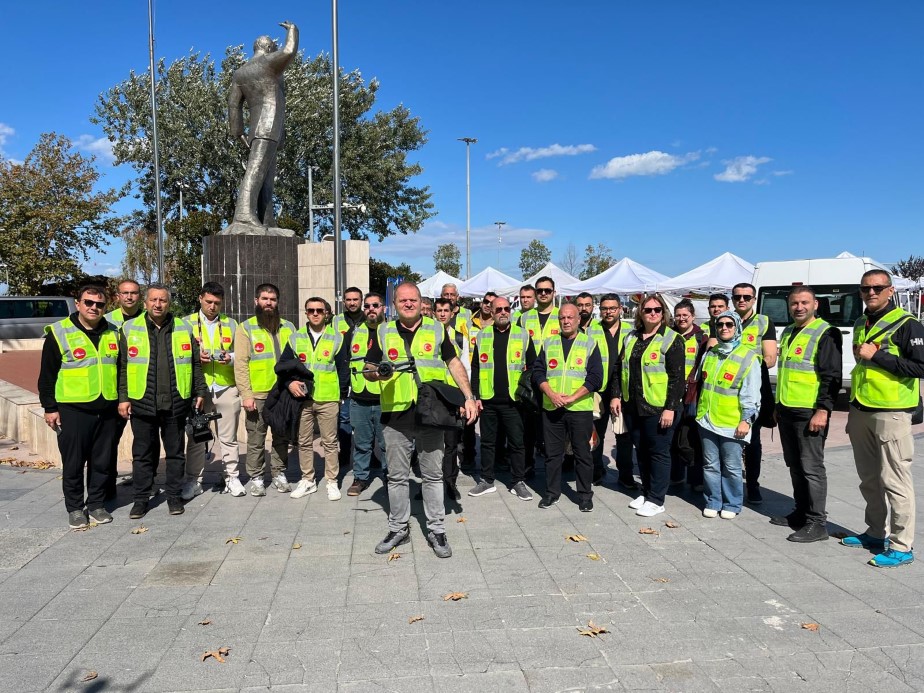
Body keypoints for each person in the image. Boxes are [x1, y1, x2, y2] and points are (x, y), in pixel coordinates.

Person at [363, 282, 478, 559]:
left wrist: (469, 397)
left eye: (413, 299)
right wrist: (377, 374)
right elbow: (367, 369)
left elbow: (453, 363)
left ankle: (437, 529)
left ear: (420, 301)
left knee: (433, 474)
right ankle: (398, 527)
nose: (408, 304)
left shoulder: (436, 329)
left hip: (431, 413)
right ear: (395, 304)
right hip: (396, 413)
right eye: (403, 300)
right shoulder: (383, 330)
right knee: (397, 476)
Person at [843, 270, 924, 568]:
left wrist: (877, 356)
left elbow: (920, 367)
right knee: (869, 479)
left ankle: (902, 546)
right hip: (862, 408)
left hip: (892, 412)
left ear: (890, 290)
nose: (871, 293)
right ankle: (876, 533)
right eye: (865, 289)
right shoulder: (860, 322)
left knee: (895, 480)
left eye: (877, 288)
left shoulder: (908, 323)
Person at [118, 285, 206, 519]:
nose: (158, 304)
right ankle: (140, 499)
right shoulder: (129, 328)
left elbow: (195, 363)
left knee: (176, 453)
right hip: (142, 403)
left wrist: (200, 390)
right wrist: (124, 398)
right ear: (145, 303)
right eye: (154, 300)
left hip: (176, 402)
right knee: (143, 454)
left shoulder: (183, 328)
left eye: (163, 300)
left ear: (169, 303)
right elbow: (123, 367)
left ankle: (174, 497)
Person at [39, 285, 122, 528]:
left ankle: (96, 504)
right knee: (74, 462)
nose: (94, 307)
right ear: (78, 304)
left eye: (99, 304)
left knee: (102, 461)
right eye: (89, 302)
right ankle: (75, 508)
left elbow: (121, 369)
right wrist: (49, 408)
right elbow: (47, 375)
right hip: (73, 410)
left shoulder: (113, 332)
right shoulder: (59, 332)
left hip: (106, 408)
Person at [771, 286, 842, 542]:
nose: (798, 307)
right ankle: (800, 512)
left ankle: (817, 522)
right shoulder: (790, 331)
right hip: (788, 409)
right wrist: (779, 406)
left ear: (815, 305)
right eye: (794, 303)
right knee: (795, 465)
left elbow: (831, 376)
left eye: (804, 303)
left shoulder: (825, 332)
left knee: (812, 468)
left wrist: (823, 409)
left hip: (810, 411)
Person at [611, 294, 685, 518]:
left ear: (664, 314)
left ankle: (657, 499)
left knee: (659, 452)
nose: (652, 313)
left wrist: (670, 407)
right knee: (641, 451)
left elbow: (677, 378)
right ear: (640, 313)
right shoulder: (631, 337)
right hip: (633, 405)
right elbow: (618, 368)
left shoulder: (672, 339)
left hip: (659, 407)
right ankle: (646, 491)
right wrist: (615, 396)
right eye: (648, 310)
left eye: (657, 310)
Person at [227, 21, 299, 232]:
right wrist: (293, 30)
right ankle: (243, 216)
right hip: (268, 125)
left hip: (258, 129)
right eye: (272, 49)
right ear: (268, 49)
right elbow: (289, 50)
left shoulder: (240, 73)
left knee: (267, 175)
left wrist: (238, 132)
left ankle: (267, 220)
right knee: (257, 171)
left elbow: (233, 105)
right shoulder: (268, 63)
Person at [532, 303, 601, 511]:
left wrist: (572, 397)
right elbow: (537, 372)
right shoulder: (549, 343)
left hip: (579, 408)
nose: (566, 321)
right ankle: (552, 493)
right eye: (562, 318)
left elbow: (596, 377)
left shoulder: (589, 343)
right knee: (553, 454)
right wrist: (551, 394)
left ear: (579, 319)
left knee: (582, 454)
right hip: (552, 407)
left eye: (570, 317)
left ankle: (585, 496)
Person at [470, 296, 537, 501]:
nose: (503, 312)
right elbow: (475, 367)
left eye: (506, 308)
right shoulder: (482, 336)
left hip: (513, 401)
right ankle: (487, 480)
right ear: (490, 310)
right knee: (488, 442)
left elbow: (533, 365)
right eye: (498, 309)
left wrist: (526, 392)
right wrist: (475, 396)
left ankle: (518, 481)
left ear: (511, 310)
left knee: (517, 443)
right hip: (488, 399)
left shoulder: (522, 334)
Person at [696, 311, 761, 519]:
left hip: (732, 422)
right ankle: (713, 500)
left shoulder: (748, 357)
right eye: (720, 324)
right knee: (710, 465)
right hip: (707, 419)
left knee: (732, 466)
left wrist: (746, 420)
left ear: (737, 328)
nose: (724, 328)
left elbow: (751, 392)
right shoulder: (711, 353)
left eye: (729, 325)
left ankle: (732, 503)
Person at [234, 283, 298, 496]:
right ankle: (257, 477)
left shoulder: (289, 327)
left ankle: (279, 472)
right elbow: (241, 364)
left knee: (281, 436)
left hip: (283, 394)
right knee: (256, 438)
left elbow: (297, 360)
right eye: (264, 299)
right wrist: (246, 394)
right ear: (256, 301)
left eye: (272, 299)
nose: (268, 303)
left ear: (278, 302)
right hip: (258, 395)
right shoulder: (246, 328)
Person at [183, 282, 244, 498]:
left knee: (229, 437)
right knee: (197, 437)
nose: (212, 306)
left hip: (225, 386)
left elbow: (242, 354)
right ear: (200, 299)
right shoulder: (186, 323)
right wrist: (195, 356)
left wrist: (230, 358)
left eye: (217, 303)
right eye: (208, 301)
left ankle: (232, 477)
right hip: (198, 388)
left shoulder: (232, 324)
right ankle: (193, 480)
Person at [286, 297, 350, 501]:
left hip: (328, 398)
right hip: (303, 399)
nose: (315, 314)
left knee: (330, 442)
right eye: (311, 310)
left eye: (319, 311)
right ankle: (308, 480)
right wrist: (289, 383)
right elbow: (284, 366)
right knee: (303, 441)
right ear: (306, 313)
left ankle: (332, 481)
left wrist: (340, 395)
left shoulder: (337, 338)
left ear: (326, 313)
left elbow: (343, 369)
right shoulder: (295, 338)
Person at [731, 282, 777, 504]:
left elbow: (770, 357)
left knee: (752, 441)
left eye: (746, 297)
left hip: (753, 390)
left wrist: (746, 366)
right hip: (727, 389)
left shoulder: (764, 322)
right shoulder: (723, 320)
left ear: (754, 299)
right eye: (737, 296)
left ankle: (753, 485)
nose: (741, 300)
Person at [102, 279, 144, 498]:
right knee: (109, 439)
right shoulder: (107, 321)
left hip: (143, 389)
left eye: (134, 293)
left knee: (145, 439)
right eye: (125, 293)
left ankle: (145, 479)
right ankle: (108, 484)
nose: (129, 297)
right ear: (117, 296)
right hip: (114, 390)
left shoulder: (148, 319)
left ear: (140, 295)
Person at [585, 294, 632, 487]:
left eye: (613, 308)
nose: (609, 312)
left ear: (620, 309)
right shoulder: (591, 330)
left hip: (624, 389)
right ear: (600, 309)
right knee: (596, 433)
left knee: (624, 435)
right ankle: (596, 471)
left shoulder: (631, 331)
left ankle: (625, 476)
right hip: (598, 390)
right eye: (605, 308)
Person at [347, 292, 387, 496]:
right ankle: (360, 478)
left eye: (376, 305)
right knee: (361, 444)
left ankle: (390, 479)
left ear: (383, 308)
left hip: (383, 398)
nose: (371, 309)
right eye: (367, 306)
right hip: (358, 398)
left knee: (387, 444)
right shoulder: (355, 331)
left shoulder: (391, 332)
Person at [669, 299, 709, 489]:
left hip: (692, 396)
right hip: (670, 394)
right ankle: (675, 476)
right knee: (671, 436)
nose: (681, 318)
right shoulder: (669, 336)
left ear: (693, 316)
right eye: (678, 315)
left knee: (692, 438)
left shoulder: (702, 338)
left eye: (685, 315)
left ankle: (696, 479)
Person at [433, 297, 469, 499]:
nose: (442, 314)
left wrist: (465, 399)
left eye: (446, 310)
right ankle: (430, 484)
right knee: (429, 446)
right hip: (433, 397)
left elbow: (465, 369)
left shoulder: (460, 337)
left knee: (451, 445)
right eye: (438, 310)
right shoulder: (427, 335)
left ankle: (450, 484)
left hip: (453, 399)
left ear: (452, 312)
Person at [331, 286, 364, 469]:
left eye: (355, 299)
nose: (352, 303)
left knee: (365, 418)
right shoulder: (336, 321)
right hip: (343, 374)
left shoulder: (369, 320)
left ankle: (368, 455)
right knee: (344, 418)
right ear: (344, 301)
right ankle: (344, 453)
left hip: (364, 376)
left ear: (361, 301)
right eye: (349, 300)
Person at [519, 276, 560, 353]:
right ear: (535, 293)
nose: (543, 293)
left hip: (554, 363)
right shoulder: (524, 318)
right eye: (540, 291)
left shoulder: (562, 316)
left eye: (547, 290)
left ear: (554, 293)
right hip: (531, 364)